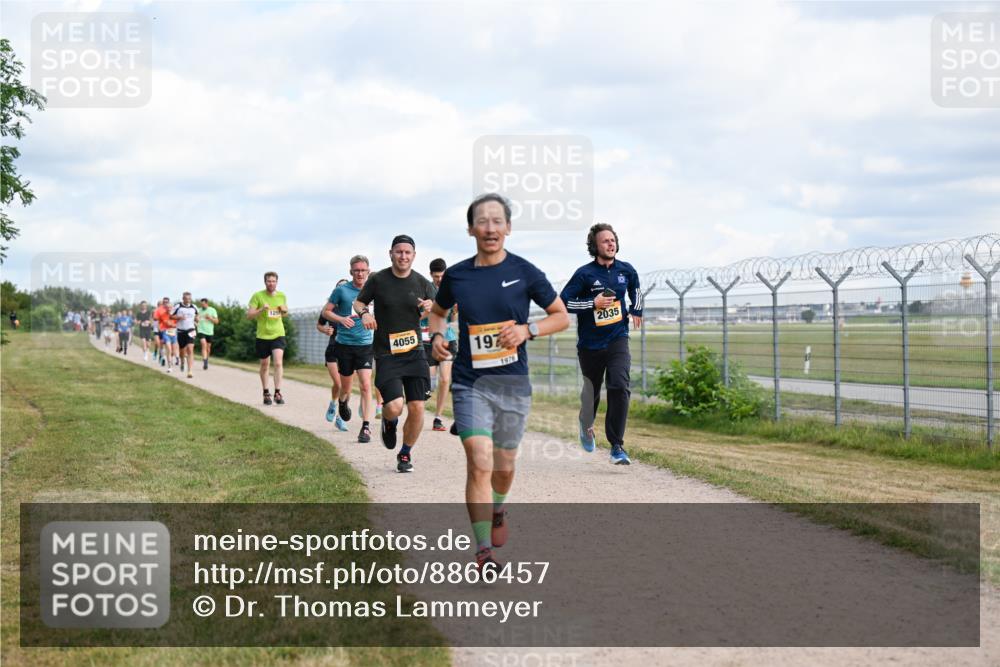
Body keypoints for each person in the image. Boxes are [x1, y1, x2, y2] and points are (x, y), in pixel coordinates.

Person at [428, 193, 568, 571]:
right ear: (471, 229)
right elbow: (438, 314)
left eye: (497, 221)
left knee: (504, 467)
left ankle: (499, 508)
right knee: (479, 461)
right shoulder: (457, 275)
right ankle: (483, 551)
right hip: (470, 382)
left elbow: (561, 315)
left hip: (511, 384)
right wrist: (437, 338)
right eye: (482, 221)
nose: (490, 228)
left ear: (508, 227)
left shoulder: (525, 271)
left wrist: (528, 329)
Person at [559, 222, 643, 465]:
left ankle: (617, 446)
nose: (611, 243)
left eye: (613, 240)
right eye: (605, 241)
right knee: (591, 393)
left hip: (618, 338)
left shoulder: (626, 270)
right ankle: (585, 424)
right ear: (595, 246)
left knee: (619, 385)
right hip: (590, 345)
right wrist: (591, 304)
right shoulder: (584, 274)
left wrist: (636, 309)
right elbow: (563, 303)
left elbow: (635, 290)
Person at [354, 235, 436, 473]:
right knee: (394, 406)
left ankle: (405, 454)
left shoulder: (422, 282)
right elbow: (359, 304)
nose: (403, 256)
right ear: (391, 253)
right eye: (398, 252)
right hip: (387, 354)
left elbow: (439, 309)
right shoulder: (378, 279)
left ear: (414, 255)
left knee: (418, 407)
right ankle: (389, 423)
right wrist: (365, 314)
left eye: (407, 252)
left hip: (415, 352)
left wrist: (432, 307)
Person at [327, 257, 376, 443]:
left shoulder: (373, 291)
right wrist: (340, 320)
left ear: (368, 271)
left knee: (365, 384)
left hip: (365, 344)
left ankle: (366, 427)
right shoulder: (342, 290)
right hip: (345, 345)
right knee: (345, 387)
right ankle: (342, 401)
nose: (360, 274)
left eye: (363, 270)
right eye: (356, 270)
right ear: (351, 272)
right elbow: (326, 311)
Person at [423, 258, 458, 432]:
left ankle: (437, 418)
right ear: (431, 275)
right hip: (428, 339)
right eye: (436, 276)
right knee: (430, 383)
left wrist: (456, 312)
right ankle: (423, 395)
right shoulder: (425, 289)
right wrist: (427, 311)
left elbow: (452, 319)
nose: (439, 279)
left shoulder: (452, 289)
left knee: (445, 379)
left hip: (448, 339)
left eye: (442, 276)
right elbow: (419, 316)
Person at [247, 271, 288, 405]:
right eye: (269, 281)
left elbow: (285, 313)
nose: (271, 283)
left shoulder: (282, 295)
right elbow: (250, 315)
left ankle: (277, 392)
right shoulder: (257, 296)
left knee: (278, 362)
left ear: (277, 282)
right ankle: (266, 392)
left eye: (273, 281)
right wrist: (261, 310)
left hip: (278, 333)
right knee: (265, 365)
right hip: (263, 335)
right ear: (265, 282)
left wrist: (284, 310)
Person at [319, 279, 348, 430]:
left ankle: (340, 417)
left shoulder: (353, 308)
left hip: (349, 350)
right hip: (332, 349)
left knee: (346, 387)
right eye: (340, 287)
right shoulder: (329, 309)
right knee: (339, 384)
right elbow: (319, 324)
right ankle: (333, 403)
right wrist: (325, 330)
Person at [173, 292, 199, 379]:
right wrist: (179, 317)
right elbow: (171, 316)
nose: (188, 300)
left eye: (189, 299)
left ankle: (190, 371)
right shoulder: (178, 306)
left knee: (190, 348)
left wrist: (197, 319)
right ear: (183, 299)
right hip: (181, 331)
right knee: (182, 350)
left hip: (191, 330)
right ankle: (182, 361)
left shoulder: (194, 307)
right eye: (186, 299)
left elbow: (197, 315)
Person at [154, 298, 179, 372]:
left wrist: (173, 325)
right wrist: (160, 329)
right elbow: (158, 322)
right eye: (167, 308)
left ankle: (170, 359)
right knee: (168, 348)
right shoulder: (162, 314)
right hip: (166, 333)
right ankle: (170, 366)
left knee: (173, 352)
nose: (169, 309)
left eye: (170, 307)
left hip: (174, 333)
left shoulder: (175, 315)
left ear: (172, 308)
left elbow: (178, 324)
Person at [196, 298, 219, 370]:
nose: (202, 306)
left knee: (208, 348)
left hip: (209, 331)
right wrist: (196, 319)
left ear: (207, 303)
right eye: (201, 304)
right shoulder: (198, 310)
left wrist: (210, 318)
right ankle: (205, 362)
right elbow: (195, 319)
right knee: (203, 344)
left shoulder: (212, 310)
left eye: (203, 304)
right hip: (201, 330)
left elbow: (217, 322)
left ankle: (206, 360)